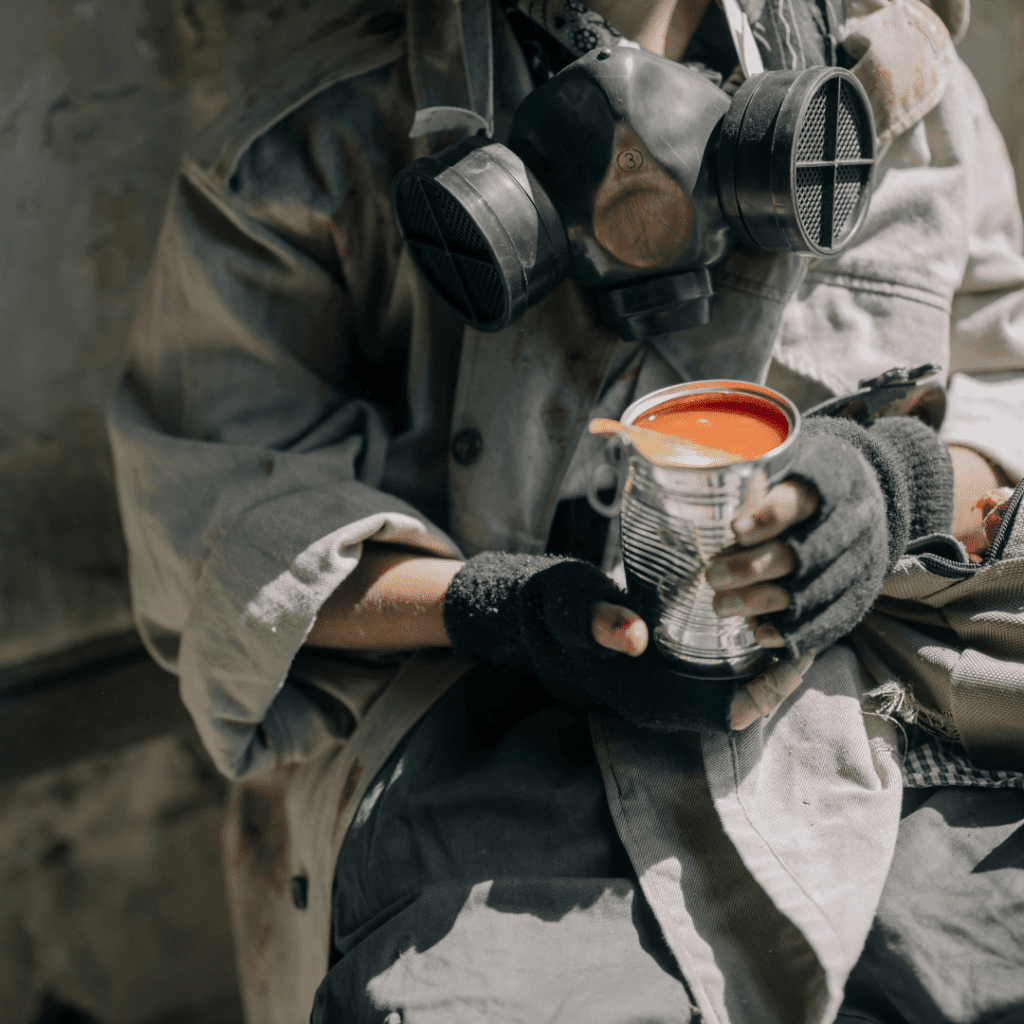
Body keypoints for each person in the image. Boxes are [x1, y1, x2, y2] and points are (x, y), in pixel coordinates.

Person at [108, 0, 1024, 1021]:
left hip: (872, 717)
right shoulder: (299, 155)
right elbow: (208, 534)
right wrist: (495, 608)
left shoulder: (901, 93)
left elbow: (1004, 380)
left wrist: (899, 485)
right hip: (486, 746)